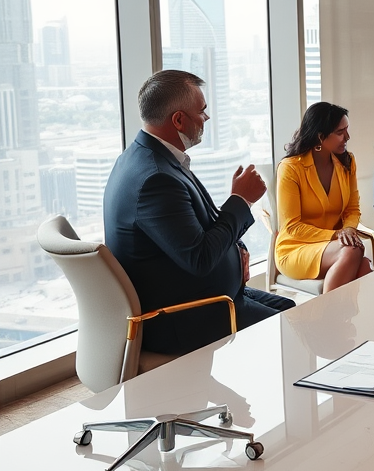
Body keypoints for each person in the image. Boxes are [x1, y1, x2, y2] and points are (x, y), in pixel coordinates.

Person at [103, 70, 294, 355]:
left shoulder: (149, 158)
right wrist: (241, 200)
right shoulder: (156, 178)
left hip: (207, 297)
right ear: (178, 119)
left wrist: (236, 247)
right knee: (292, 329)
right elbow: (200, 258)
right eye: (202, 111)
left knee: (291, 310)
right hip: (187, 317)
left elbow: (194, 230)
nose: (206, 118)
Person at [275, 102, 372, 293]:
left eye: (347, 130)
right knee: (354, 251)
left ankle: (342, 320)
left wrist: (348, 229)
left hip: (334, 248)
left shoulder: (347, 161)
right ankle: (332, 318)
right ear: (320, 137)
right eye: (340, 132)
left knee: (364, 266)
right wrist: (337, 234)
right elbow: (292, 227)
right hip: (295, 249)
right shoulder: (291, 168)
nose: (347, 137)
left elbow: (352, 209)